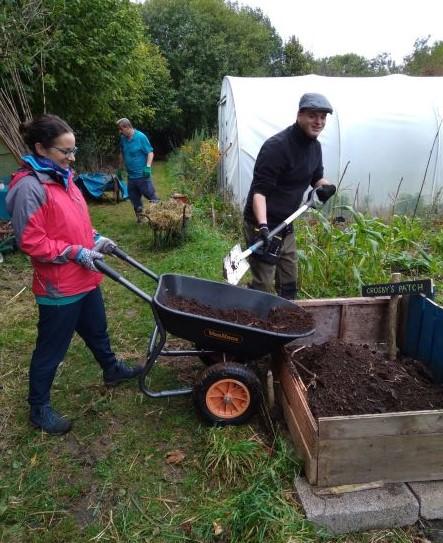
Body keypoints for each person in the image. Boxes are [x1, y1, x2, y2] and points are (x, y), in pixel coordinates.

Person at [6, 114, 142, 436]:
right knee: (51, 349)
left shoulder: (64, 177)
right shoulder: (30, 187)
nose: (71, 158)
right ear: (40, 148)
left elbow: (73, 223)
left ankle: (111, 370)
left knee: (97, 331)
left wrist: (94, 238)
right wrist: (73, 252)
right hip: (59, 286)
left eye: (73, 151)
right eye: (63, 152)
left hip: (85, 276)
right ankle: (39, 408)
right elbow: (31, 241)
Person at [243, 93, 337, 300]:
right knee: (264, 284)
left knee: (289, 282)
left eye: (322, 117)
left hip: (287, 223)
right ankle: (250, 319)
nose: (319, 122)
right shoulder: (277, 147)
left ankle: (281, 323)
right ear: (299, 115)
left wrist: (327, 186)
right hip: (263, 222)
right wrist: (263, 227)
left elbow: (316, 178)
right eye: (313, 116)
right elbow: (260, 193)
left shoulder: (315, 147)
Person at [117, 118, 159, 222]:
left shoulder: (141, 137)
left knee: (151, 196)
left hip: (142, 175)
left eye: (121, 129)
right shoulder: (123, 139)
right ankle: (140, 219)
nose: (120, 131)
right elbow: (122, 153)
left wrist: (148, 166)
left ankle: (158, 217)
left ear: (127, 127)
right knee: (134, 198)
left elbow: (150, 152)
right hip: (131, 176)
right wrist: (120, 168)